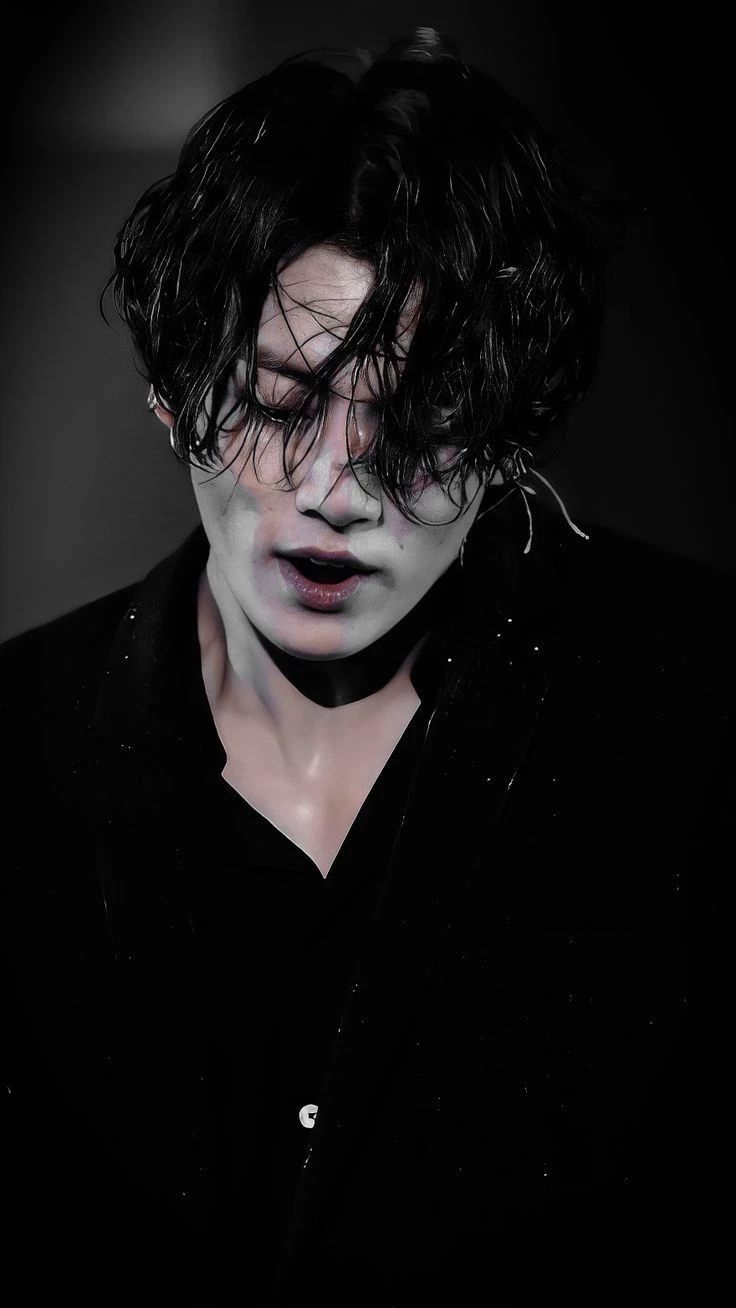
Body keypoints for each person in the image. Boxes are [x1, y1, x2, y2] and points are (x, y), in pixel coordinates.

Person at [1, 26, 732, 1308]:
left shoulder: (683, 710)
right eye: (281, 402)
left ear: (508, 438)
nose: (337, 490)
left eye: (423, 420)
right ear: (176, 389)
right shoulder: (21, 752)